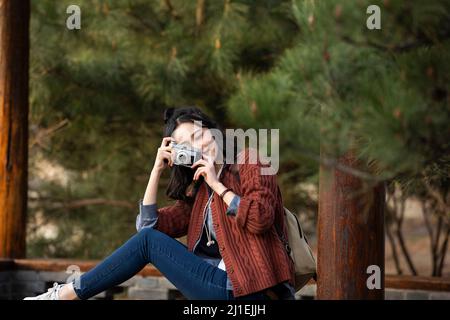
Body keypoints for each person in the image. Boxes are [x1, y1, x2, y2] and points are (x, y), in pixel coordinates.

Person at [24, 106, 295, 300]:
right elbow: (148, 228)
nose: (196, 146)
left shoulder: (249, 159)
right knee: (149, 239)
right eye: (184, 144)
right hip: (218, 285)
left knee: (149, 242)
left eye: (198, 135)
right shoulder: (199, 192)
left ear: (213, 131)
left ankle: (66, 295)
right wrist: (156, 171)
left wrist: (217, 184)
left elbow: (260, 217)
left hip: (249, 287)